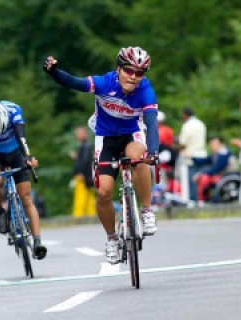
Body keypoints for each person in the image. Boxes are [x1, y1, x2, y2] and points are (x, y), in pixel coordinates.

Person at [44, 46, 159, 264]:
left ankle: (146, 211)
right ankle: (112, 238)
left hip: (131, 135)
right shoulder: (105, 83)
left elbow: (152, 124)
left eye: (139, 73)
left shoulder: (145, 90)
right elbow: (76, 83)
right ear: (118, 69)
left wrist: (153, 151)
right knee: (103, 193)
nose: (133, 77)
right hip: (106, 138)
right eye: (129, 71)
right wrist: (54, 72)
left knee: (140, 159)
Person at [0, 100, 48, 260]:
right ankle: (0, 211)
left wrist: (28, 158)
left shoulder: (14, 111)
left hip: (15, 152)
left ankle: (37, 242)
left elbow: (22, 139)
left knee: (26, 198)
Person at [192, 136, 237, 205]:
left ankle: (202, 200)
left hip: (227, 176)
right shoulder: (216, 154)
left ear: (221, 144)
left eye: (214, 144)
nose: (213, 147)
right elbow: (204, 160)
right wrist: (192, 157)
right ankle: (203, 199)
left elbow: (215, 169)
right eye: (212, 145)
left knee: (204, 178)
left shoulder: (224, 154)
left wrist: (200, 173)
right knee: (204, 177)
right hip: (220, 176)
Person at [178, 107, 207, 202]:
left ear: (185, 115)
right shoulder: (201, 124)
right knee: (201, 180)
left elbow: (183, 143)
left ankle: (193, 200)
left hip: (190, 156)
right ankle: (203, 199)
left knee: (192, 181)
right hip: (202, 155)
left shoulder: (187, 126)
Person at [69, 126, 96, 218]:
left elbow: (84, 161)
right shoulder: (86, 145)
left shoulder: (86, 146)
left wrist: (80, 172)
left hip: (83, 175)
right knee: (89, 196)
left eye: (79, 133)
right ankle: (91, 215)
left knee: (81, 197)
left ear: (85, 134)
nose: (78, 136)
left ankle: (78, 216)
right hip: (88, 175)